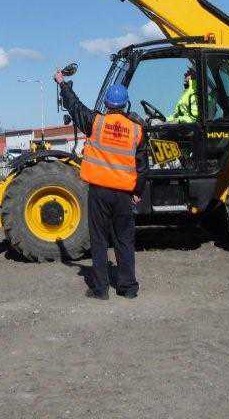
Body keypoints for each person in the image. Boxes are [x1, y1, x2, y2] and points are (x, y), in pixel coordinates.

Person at [55, 70, 144, 300]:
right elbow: (142, 165)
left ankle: (101, 289)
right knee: (124, 241)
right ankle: (128, 288)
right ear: (125, 104)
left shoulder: (96, 122)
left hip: (99, 192)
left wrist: (62, 83)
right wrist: (137, 191)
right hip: (124, 194)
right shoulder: (136, 129)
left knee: (99, 240)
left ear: (106, 103)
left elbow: (75, 106)